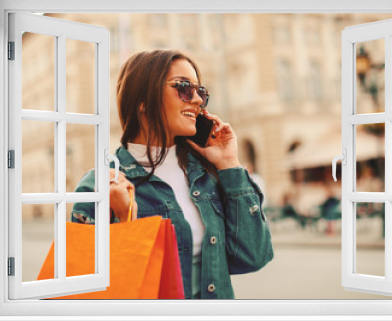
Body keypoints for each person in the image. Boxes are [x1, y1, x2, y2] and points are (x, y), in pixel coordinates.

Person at [71, 50, 273, 299]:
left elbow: (253, 257)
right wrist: (125, 222)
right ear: (142, 100)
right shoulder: (101, 185)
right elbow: (87, 291)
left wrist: (230, 164)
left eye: (202, 92)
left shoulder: (206, 176)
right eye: (184, 88)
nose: (198, 99)